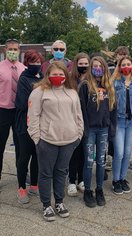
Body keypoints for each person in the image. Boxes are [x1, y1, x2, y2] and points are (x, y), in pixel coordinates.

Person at [27, 61, 84, 221]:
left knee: (61, 172)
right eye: (54, 74)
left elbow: (78, 115)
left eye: (61, 74)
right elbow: (33, 116)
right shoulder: (39, 92)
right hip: (47, 141)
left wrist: (78, 134)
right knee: (45, 174)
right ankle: (46, 205)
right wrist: (37, 139)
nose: (58, 77)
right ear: (48, 75)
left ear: (65, 76)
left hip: (69, 140)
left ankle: (59, 202)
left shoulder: (72, 92)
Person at [79, 56, 116, 208]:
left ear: (105, 68)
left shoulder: (109, 86)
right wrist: (85, 129)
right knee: (88, 162)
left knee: (101, 161)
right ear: (90, 68)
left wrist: (111, 127)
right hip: (90, 129)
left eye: (100, 66)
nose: (98, 69)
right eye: (95, 66)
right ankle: (88, 191)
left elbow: (113, 109)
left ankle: (99, 189)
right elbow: (81, 109)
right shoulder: (85, 86)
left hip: (104, 129)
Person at [111, 56, 132, 194]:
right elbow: (110, 103)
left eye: (128, 64)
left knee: (127, 152)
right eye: (123, 64)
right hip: (118, 121)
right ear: (119, 67)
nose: (126, 66)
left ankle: (122, 178)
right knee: (118, 153)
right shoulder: (114, 82)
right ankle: (115, 180)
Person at [15, 50, 44, 204]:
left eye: (38, 62)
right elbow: (22, 102)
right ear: (27, 63)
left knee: (36, 156)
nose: (36, 65)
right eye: (33, 62)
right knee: (24, 156)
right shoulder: (24, 78)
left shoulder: (42, 77)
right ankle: (21, 188)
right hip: (24, 124)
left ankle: (34, 185)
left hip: (39, 124)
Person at [0, 39, 25, 182]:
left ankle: (21, 177)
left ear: (19, 51)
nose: (13, 52)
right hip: (2, 111)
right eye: (10, 49)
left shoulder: (23, 68)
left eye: (15, 49)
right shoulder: (0, 67)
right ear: (5, 50)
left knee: (20, 147)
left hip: (18, 112)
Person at [67, 52, 90, 196]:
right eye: (80, 64)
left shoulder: (92, 79)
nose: (83, 66)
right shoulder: (70, 79)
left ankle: (81, 179)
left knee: (84, 152)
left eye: (86, 64)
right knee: (73, 152)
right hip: (73, 120)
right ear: (76, 64)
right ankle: (71, 181)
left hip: (88, 120)